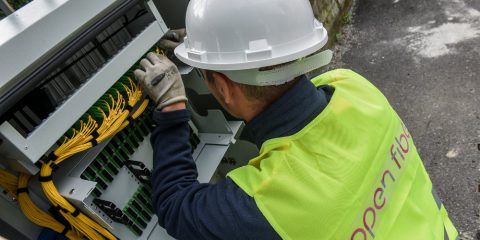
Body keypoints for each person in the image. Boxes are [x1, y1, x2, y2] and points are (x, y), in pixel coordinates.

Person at [134, 0, 458, 239]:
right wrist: (220, 41)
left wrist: (173, 105)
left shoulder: (264, 206)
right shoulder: (354, 86)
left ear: (222, 87)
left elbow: (174, 206)